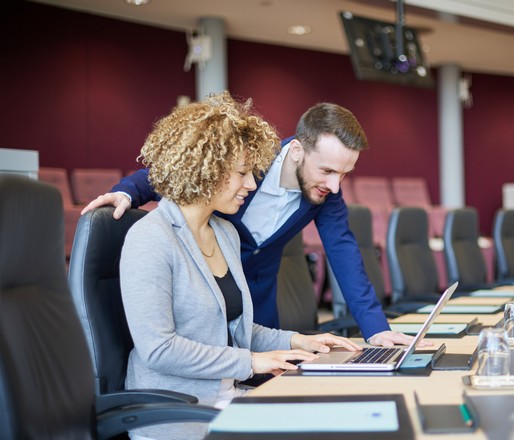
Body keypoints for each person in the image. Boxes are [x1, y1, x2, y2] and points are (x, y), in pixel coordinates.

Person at [83, 100, 428, 348]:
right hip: (199, 293)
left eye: (345, 174)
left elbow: (345, 254)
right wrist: (127, 193)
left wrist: (376, 330)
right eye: (327, 170)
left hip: (256, 301)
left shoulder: (327, 195)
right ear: (296, 151)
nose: (336, 185)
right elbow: (186, 169)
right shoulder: (248, 161)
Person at [119, 91, 361, 440]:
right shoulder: (151, 238)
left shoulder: (225, 234)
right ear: (206, 170)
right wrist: (250, 362)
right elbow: (159, 350)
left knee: (340, 417)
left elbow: (241, 331)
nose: (252, 184)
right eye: (242, 173)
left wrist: (299, 341)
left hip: (227, 399)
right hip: (177, 413)